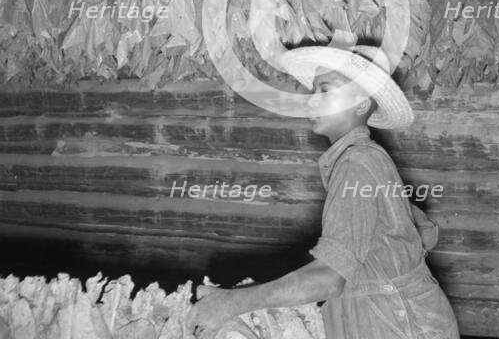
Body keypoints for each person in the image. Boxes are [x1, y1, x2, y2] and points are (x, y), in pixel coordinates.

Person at [187, 44, 459, 339]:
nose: (312, 101)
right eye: (313, 90)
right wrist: (240, 295)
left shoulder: (357, 164)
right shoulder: (360, 159)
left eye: (325, 90)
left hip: (399, 324)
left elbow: (329, 279)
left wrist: (231, 304)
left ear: (360, 104)